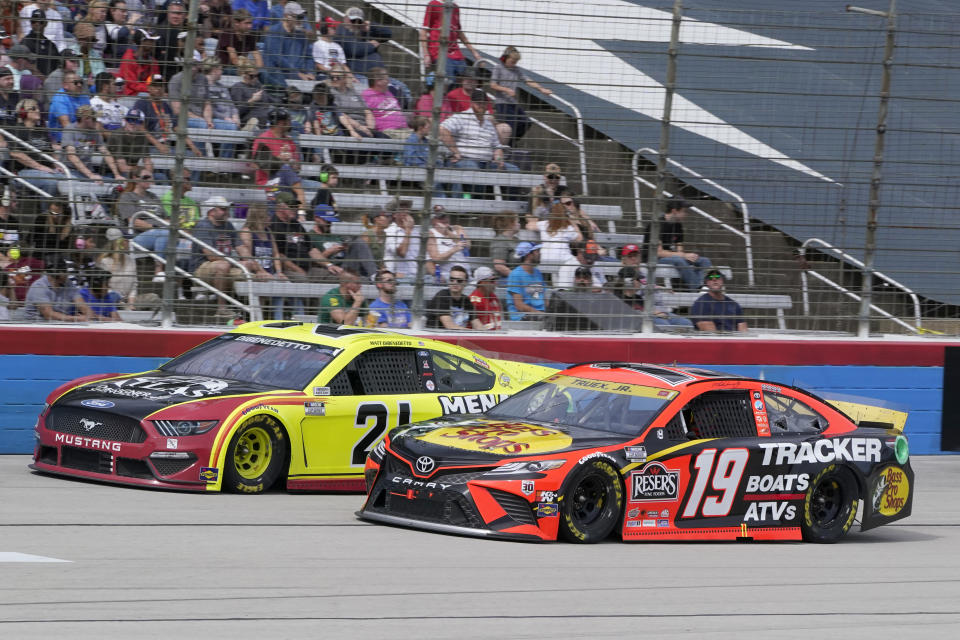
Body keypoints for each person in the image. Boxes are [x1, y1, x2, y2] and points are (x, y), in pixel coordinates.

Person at [439, 89, 518, 197]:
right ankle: (475, 206)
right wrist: (455, 151)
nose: (482, 105)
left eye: (484, 102)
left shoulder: (489, 123)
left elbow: (497, 146)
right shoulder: (461, 117)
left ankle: (510, 208)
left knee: (514, 171)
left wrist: (499, 159)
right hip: (465, 160)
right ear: (472, 103)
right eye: (478, 103)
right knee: (475, 171)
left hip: (487, 162)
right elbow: (442, 129)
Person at [643, 199, 713, 291]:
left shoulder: (678, 226)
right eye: (683, 211)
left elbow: (680, 249)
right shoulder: (657, 224)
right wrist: (684, 256)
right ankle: (698, 289)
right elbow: (658, 253)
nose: (686, 214)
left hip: (671, 257)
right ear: (674, 211)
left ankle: (705, 286)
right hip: (653, 258)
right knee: (678, 260)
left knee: (704, 261)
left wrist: (687, 256)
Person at [490, 46, 553, 147]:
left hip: (513, 103)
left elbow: (527, 80)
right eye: (512, 61)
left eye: (516, 62)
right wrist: (506, 89)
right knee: (512, 124)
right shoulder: (498, 67)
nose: (514, 64)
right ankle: (506, 145)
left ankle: (510, 143)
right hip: (502, 102)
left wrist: (542, 89)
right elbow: (493, 85)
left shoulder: (516, 70)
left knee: (526, 122)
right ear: (506, 58)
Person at [190, 195, 241, 319]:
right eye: (223, 209)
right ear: (211, 211)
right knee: (222, 266)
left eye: (227, 209)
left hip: (226, 265)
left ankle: (254, 315)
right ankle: (221, 309)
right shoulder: (203, 226)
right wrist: (236, 263)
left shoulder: (228, 225)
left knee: (253, 275)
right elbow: (211, 256)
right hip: (201, 267)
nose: (227, 212)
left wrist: (251, 263)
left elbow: (241, 247)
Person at [133, 74, 204, 156]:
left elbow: (177, 128)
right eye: (155, 86)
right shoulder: (142, 103)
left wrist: (193, 146)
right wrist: (158, 145)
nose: (159, 88)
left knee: (192, 156)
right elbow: (140, 127)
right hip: (148, 147)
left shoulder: (166, 106)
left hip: (166, 146)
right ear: (148, 88)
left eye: (161, 86)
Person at [251, 107, 308, 207]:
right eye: (288, 120)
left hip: (291, 181)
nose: (290, 123)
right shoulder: (263, 140)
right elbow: (255, 165)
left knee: (322, 188)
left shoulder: (289, 141)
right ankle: (300, 213)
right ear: (281, 123)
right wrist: (280, 159)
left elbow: (298, 168)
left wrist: (291, 160)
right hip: (269, 182)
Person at [10, 98, 64, 197]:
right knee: (50, 182)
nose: (38, 110)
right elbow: (16, 153)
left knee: (67, 179)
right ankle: (47, 212)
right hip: (24, 171)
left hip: (46, 170)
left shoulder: (41, 130)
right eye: (33, 108)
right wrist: (40, 167)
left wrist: (57, 165)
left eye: (38, 108)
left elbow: (51, 152)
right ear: (23, 112)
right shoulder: (18, 129)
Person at [610, 265, 693, 329]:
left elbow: (649, 309)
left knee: (685, 323)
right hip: (638, 323)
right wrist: (656, 314)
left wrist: (662, 314)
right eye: (638, 280)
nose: (640, 283)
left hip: (652, 316)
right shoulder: (617, 297)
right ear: (628, 282)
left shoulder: (637, 297)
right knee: (664, 325)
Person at [62, 105, 123, 184]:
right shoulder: (70, 129)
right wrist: (90, 175)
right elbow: (71, 156)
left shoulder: (94, 132)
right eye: (94, 119)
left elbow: (106, 153)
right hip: (70, 171)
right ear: (85, 119)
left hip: (88, 172)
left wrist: (117, 175)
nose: (97, 121)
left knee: (115, 184)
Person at [420, 0, 479, 81]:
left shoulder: (456, 7)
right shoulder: (433, 4)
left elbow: (459, 32)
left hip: (456, 54)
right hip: (439, 52)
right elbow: (424, 30)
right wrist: (426, 54)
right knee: (449, 81)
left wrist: (474, 52)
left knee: (467, 80)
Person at [22, 257, 93, 322]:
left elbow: (82, 305)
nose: (67, 274)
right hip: (37, 326)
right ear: (55, 273)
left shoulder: (68, 283)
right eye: (64, 271)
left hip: (60, 325)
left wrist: (95, 317)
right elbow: (49, 315)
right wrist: (75, 318)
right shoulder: (39, 286)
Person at [261, 2, 313, 88]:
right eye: (298, 17)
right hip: (279, 74)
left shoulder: (301, 34)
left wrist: (310, 72)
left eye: (302, 17)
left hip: (299, 74)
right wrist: (298, 74)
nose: (300, 21)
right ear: (286, 16)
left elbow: (309, 56)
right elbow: (278, 59)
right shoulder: (274, 31)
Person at [526, 202, 582, 277]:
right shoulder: (567, 228)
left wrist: (535, 220)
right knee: (579, 264)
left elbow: (529, 226)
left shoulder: (544, 224)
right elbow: (579, 239)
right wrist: (574, 223)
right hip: (563, 259)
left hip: (545, 260)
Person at [335, 6, 391, 75]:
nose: (356, 24)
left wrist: (371, 25)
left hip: (380, 74)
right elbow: (353, 49)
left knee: (402, 86)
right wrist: (371, 45)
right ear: (345, 19)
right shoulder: (341, 30)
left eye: (358, 21)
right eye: (353, 20)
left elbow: (388, 34)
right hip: (360, 75)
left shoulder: (363, 31)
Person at [229, 56, 279, 131]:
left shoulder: (258, 85)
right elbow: (237, 111)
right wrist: (251, 101)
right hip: (252, 118)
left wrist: (285, 101)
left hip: (267, 116)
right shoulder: (238, 87)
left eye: (257, 75)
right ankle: (250, 128)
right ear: (244, 75)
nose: (255, 78)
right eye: (252, 76)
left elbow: (270, 99)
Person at [427, 264, 482, 329]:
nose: (455, 282)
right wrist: (473, 333)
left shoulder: (466, 300)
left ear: (465, 283)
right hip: (436, 337)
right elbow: (450, 326)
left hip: (457, 336)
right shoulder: (442, 296)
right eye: (452, 279)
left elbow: (477, 324)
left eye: (459, 281)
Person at [362, 67, 410, 140]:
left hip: (403, 129)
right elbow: (367, 115)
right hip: (389, 131)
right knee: (416, 140)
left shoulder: (387, 92)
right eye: (386, 79)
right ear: (378, 81)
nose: (388, 81)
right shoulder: (367, 95)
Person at [48, 70, 92, 144]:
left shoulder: (84, 97)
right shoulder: (59, 98)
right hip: (61, 140)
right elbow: (66, 126)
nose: (79, 85)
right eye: (75, 83)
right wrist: (80, 142)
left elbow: (90, 121)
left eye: (81, 82)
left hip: (81, 137)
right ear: (65, 85)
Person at [426, 208, 469, 283]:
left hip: (466, 275)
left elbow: (467, 245)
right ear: (434, 221)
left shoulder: (457, 228)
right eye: (440, 218)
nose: (444, 219)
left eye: (446, 216)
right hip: (449, 278)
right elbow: (436, 259)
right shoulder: (431, 234)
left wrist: (447, 232)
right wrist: (454, 249)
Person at [383, 198, 421, 281]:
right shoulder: (390, 231)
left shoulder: (415, 231)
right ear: (394, 214)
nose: (406, 212)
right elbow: (402, 253)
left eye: (407, 209)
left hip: (415, 276)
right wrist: (408, 231)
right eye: (402, 209)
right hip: (397, 278)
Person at [505, 241, 545, 321]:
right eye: (537, 251)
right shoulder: (515, 275)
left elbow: (541, 297)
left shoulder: (538, 273)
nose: (540, 254)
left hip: (538, 314)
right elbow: (519, 305)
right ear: (528, 255)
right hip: (522, 316)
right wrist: (538, 313)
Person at [98, 227, 137, 305]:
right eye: (126, 240)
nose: (129, 242)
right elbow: (103, 287)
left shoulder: (131, 260)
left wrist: (131, 303)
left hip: (129, 300)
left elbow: (134, 286)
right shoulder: (104, 262)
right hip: (112, 300)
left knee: (152, 298)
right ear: (119, 242)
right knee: (113, 297)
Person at [118, 27, 160, 95]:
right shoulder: (129, 58)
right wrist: (150, 89)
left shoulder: (153, 61)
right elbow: (131, 84)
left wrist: (156, 89)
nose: (153, 43)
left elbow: (156, 80)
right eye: (150, 41)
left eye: (153, 41)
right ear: (142, 41)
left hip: (147, 93)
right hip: (129, 95)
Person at [20, 9, 58, 77]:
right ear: (31, 24)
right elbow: (24, 66)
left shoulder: (51, 45)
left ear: (45, 23)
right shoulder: (25, 43)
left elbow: (57, 66)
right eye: (34, 21)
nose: (37, 24)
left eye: (40, 22)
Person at [468, 266, 502, 330]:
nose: (495, 283)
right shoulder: (474, 301)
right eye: (492, 281)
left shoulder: (493, 297)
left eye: (495, 280)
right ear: (481, 282)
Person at [488, 212, 521, 278]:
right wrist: (518, 278)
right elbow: (499, 266)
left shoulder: (516, 240)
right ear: (511, 224)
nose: (519, 224)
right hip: (505, 280)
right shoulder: (500, 240)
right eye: (517, 222)